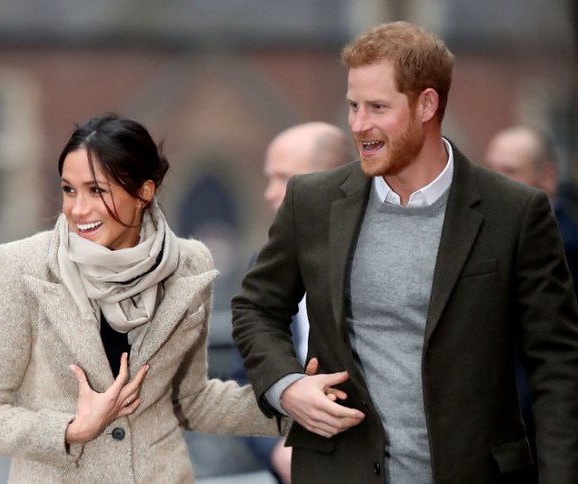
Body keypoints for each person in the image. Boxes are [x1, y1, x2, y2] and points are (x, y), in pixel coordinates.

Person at [232, 21, 578, 484]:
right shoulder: (312, 202)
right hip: (338, 471)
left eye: (377, 107)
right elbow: (255, 307)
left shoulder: (515, 212)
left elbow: (557, 366)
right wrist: (286, 386)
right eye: (354, 106)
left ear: (427, 105)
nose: (358, 125)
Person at [0, 113, 280, 483]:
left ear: (144, 192)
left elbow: (190, 400)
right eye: (69, 190)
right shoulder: (20, 268)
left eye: (97, 191)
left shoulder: (189, 265)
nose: (78, 209)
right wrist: (70, 428)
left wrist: (291, 404)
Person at [240, 121, 352, 483]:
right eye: (268, 178)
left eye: (284, 178)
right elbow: (249, 373)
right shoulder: (264, 265)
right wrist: (278, 448)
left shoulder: (370, 254)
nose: (270, 193)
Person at [484, 125, 578, 289]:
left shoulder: (568, 247)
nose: (493, 181)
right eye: (489, 169)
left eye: (510, 171)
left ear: (548, 177)